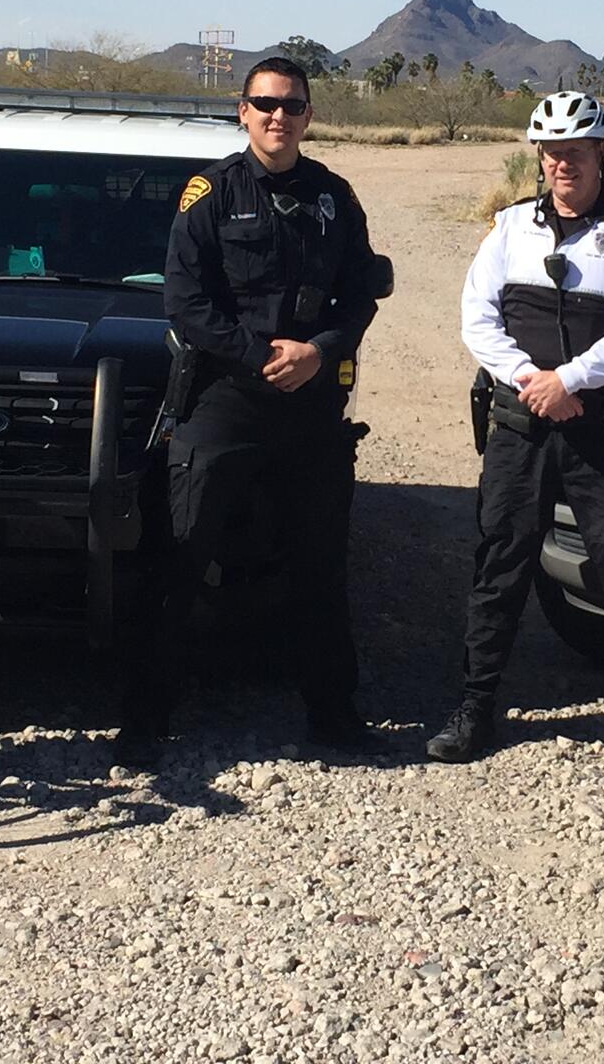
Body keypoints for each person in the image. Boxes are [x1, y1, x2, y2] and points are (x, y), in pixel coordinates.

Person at [117, 56, 385, 764]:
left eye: (292, 106)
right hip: (226, 396)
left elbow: (362, 293)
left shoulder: (334, 197)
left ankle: (333, 715)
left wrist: (321, 351)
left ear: (308, 116)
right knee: (178, 557)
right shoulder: (209, 192)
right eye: (265, 104)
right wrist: (258, 355)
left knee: (320, 566)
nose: (279, 116)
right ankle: (145, 721)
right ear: (242, 111)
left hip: (310, 401)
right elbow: (186, 301)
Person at [428, 90, 604, 786]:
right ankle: (475, 710)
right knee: (500, 566)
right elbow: (477, 317)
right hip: (518, 428)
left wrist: (570, 380)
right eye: (551, 154)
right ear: (538, 159)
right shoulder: (510, 229)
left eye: (575, 152)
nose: (561, 165)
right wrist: (527, 378)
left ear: (601, 153)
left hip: (603, 435)